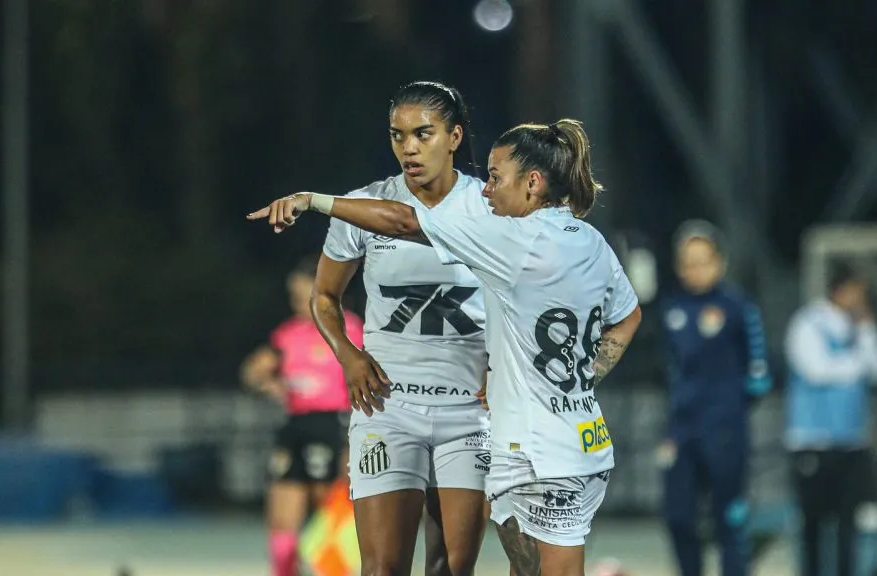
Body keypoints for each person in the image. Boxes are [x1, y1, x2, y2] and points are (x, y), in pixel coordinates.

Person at [248, 117, 644, 576]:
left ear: (533, 183)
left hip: (536, 449)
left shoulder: (513, 240)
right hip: (584, 436)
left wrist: (313, 200)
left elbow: (403, 220)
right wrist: (582, 375)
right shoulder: (590, 240)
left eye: (496, 178)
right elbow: (628, 316)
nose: (487, 190)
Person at [268, 81, 495, 576]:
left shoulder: (489, 207)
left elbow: (518, 297)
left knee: (451, 569)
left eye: (423, 134)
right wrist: (347, 355)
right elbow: (324, 297)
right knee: (382, 568)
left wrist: (501, 364)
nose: (408, 147)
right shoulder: (362, 206)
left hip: (469, 412)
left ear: (454, 137)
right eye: (397, 135)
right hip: (388, 409)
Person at [656, 220, 772, 576]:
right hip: (682, 431)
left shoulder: (738, 307)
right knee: (678, 517)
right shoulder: (671, 310)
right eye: (688, 262)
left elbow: (760, 375)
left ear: (719, 263)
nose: (695, 270)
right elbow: (670, 372)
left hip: (725, 430)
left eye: (702, 261)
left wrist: (728, 411)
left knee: (730, 520)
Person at [240, 254, 363, 576]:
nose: (295, 302)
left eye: (300, 294)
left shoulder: (349, 328)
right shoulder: (288, 333)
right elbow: (253, 370)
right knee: (282, 523)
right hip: (294, 426)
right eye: (292, 296)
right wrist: (265, 383)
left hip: (332, 426)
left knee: (330, 519)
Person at [783, 264, 877, 576]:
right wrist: (858, 363)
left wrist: (868, 330)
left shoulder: (859, 328)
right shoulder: (808, 323)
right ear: (839, 290)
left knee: (850, 521)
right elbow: (817, 370)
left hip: (851, 440)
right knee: (814, 521)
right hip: (812, 441)